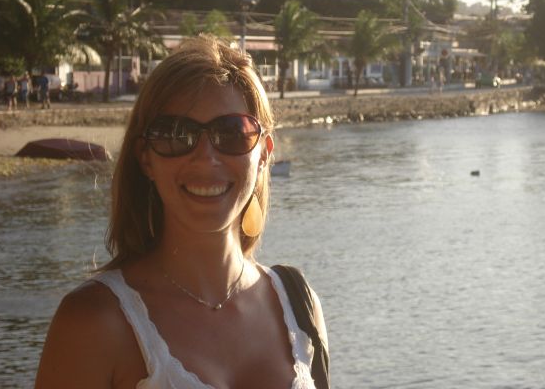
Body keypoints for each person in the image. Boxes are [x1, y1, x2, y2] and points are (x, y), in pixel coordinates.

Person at [35, 35, 328, 389]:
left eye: (232, 132)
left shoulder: (299, 306)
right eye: (176, 134)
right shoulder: (93, 322)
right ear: (145, 158)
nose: (206, 159)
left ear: (264, 153)